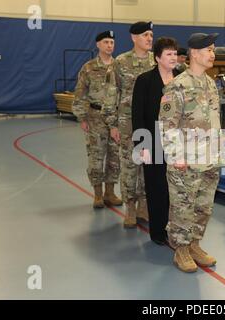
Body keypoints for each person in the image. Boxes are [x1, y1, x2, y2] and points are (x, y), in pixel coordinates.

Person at [159, 33, 224, 273]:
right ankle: (181, 250)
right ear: (194, 54)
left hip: (209, 158)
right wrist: (177, 156)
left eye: (213, 49)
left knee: (204, 206)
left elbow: (215, 119)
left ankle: (195, 244)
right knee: (182, 207)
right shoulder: (177, 86)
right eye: (208, 49)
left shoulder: (210, 83)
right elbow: (167, 125)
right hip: (185, 162)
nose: (212, 54)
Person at [132, 37, 181, 245]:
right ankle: (158, 232)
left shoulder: (182, 79)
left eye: (175, 53)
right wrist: (142, 146)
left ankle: (177, 229)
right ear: (158, 57)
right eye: (168, 54)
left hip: (177, 142)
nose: (173, 57)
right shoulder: (145, 81)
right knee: (156, 187)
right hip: (153, 140)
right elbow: (138, 115)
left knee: (177, 188)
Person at [72, 30, 122, 209]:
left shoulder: (119, 66)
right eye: (106, 42)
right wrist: (82, 117)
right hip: (95, 117)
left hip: (115, 118)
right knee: (96, 156)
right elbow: (80, 93)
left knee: (115, 157)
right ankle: (98, 194)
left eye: (112, 42)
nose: (110, 45)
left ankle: (110, 192)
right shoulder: (89, 67)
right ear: (98, 45)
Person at [115, 21, 156, 228]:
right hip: (127, 124)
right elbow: (112, 94)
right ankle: (130, 208)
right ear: (134, 38)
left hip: (150, 124)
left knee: (148, 165)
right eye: (145, 35)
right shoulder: (121, 62)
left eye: (151, 34)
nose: (150, 38)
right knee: (130, 167)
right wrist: (113, 124)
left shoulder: (156, 62)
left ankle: (144, 207)